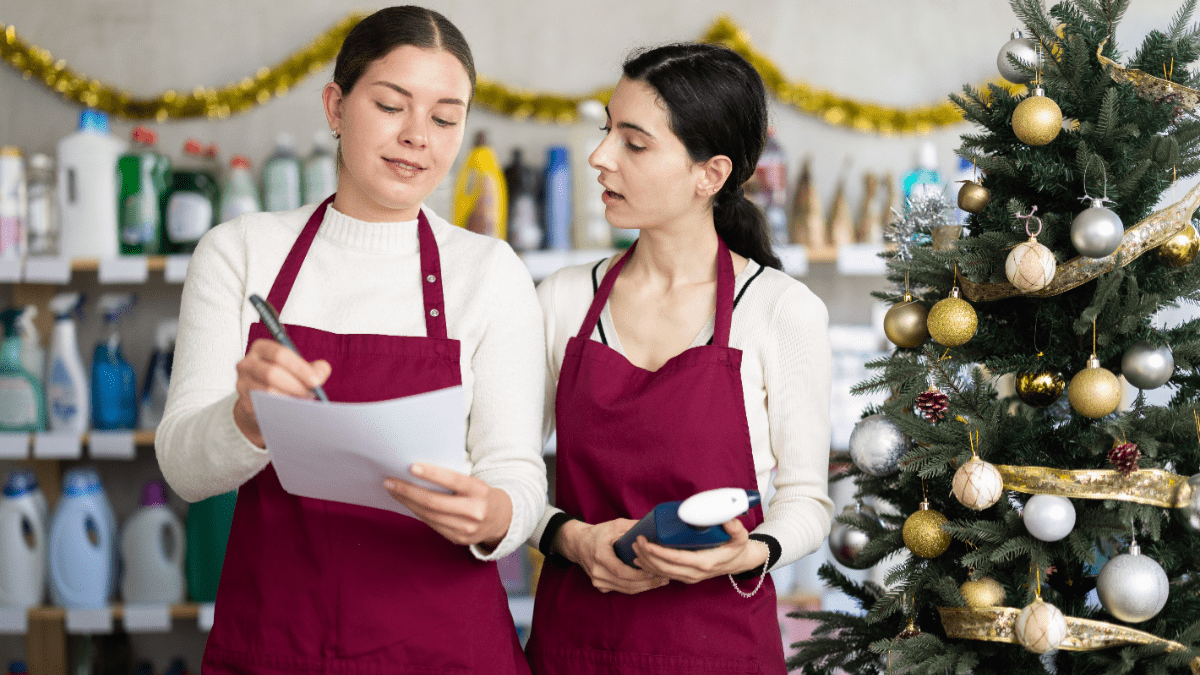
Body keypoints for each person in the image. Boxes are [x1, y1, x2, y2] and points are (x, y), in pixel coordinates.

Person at [155, 7, 545, 675]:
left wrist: (493, 514)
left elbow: (517, 471)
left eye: (445, 118)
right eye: (392, 105)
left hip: (445, 646)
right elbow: (183, 471)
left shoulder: (490, 271)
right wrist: (246, 419)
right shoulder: (242, 252)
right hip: (282, 640)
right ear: (336, 106)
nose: (417, 136)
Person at [524, 43, 833, 674]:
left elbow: (806, 500)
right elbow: (510, 473)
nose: (599, 157)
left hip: (717, 647)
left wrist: (749, 554)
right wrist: (571, 539)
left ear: (710, 175)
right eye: (606, 131)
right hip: (575, 645)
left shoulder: (779, 311)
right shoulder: (562, 299)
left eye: (634, 144)